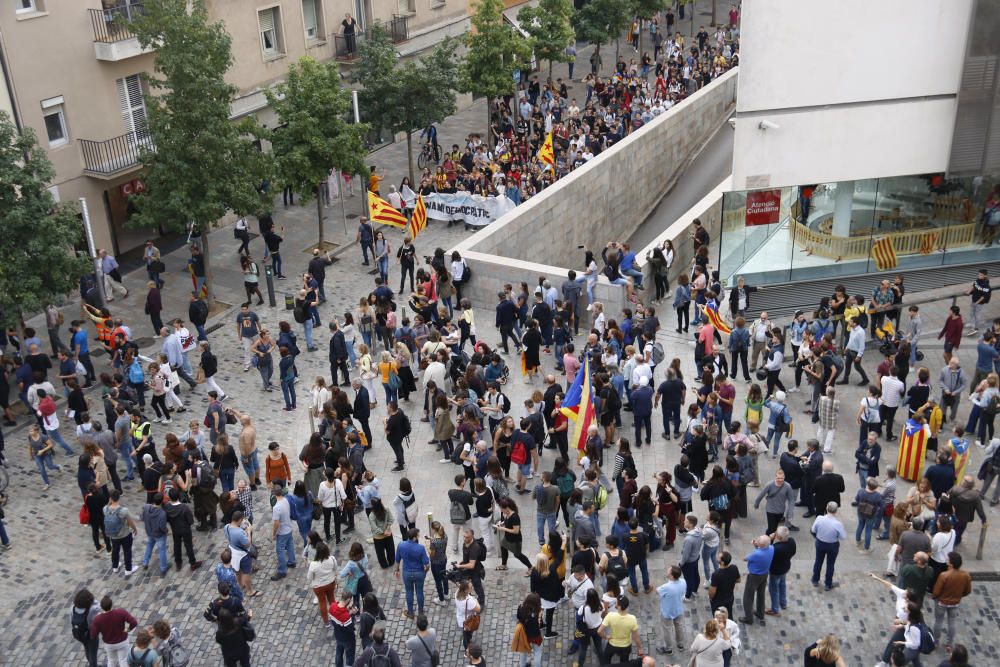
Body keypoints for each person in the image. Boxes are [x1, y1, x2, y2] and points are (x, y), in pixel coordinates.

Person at [931, 551, 972, 651]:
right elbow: (967, 591)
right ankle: (949, 643)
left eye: (948, 560)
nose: (947, 560)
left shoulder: (944, 575)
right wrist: (959, 596)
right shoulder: (966, 575)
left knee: (938, 621)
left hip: (941, 602)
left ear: (951, 563)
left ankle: (935, 641)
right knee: (952, 622)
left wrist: (934, 596)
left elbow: (936, 591)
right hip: (955, 603)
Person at [89, 595, 138, 667]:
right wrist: (128, 629)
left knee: (111, 661)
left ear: (102, 607)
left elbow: (93, 634)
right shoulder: (121, 612)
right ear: (111, 604)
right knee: (123, 660)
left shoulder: (97, 619)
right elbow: (134, 622)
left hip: (109, 644)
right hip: (122, 641)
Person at [395, 527, 430, 619]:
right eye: (418, 535)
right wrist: (425, 571)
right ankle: (421, 612)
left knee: (409, 591)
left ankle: (410, 612)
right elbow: (426, 564)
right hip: (419, 573)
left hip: (406, 573)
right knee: (419, 591)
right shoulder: (420, 548)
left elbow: (397, 560)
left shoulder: (401, 545)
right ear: (414, 537)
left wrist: (397, 570)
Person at [810, 502, 847, 591]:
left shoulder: (819, 518)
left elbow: (813, 530)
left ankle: (815, 579)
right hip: (832, 545)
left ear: (826, 508)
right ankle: (828, 584)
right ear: (836, 511)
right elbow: (843, 537)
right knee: (830, 564)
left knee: (818, 561)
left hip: (820, 543)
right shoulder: (838, 524)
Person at [599, 594, 644, 663]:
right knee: (624, 663)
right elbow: (636, 637)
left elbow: (599, 631)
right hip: (625, 646)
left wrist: (605, 637)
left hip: (612, 644)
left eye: (616, 602)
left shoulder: (610, 616)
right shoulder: (632, 619)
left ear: (618, 606)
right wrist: (639, 648)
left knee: (606, 661)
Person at [740, 535, 773, 626]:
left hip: (754, 576)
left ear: (761, 545)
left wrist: (755, 547)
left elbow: (745, 558)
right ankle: (760, 613)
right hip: (765, 574)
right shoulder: (771, 548)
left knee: (748, 597)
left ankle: (749, 618)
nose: (756, 540)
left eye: (758, 540)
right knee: (761, 594)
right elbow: (762, 548)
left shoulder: (756, 554)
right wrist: (756, 545)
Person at [105, 488, 139, 576]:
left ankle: (115, 567)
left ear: (110, 498)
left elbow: (107, 507)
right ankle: (128, 569)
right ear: (119, 497)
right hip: (125, 535)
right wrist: (135, 529)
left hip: (113, 536)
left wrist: (109, 502)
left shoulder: (105, 509)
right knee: (127, 551)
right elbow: (130, 522)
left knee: (115, 550)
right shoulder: (124, 510)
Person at [71, 588, 102, 667]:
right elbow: (99, 607)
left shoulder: (72, 608)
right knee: (93, 653)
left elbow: (71, 619)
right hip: (91, 635)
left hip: (79, 634)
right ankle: (93, 665)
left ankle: (91, 663)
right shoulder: (92, 610)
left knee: (87, 648)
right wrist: (93, 601)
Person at [708, 550, 740, 618]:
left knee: (718, 618)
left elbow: (712, 592)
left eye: (718, 557)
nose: (717, 557)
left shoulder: (716, 574)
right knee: (729, 614)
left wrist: (711, 598)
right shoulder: (734, 567)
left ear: (722, 562)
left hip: (718, 601)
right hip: (730, 598)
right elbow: (738, 580)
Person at [455, 578, 481, 649]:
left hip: (461, 619)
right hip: (468, 621)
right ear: (466, 590)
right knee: (467, 635)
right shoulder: (469, 601)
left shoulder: (457, 592)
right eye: (471, 587)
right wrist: (476, 600)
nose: (472, 588)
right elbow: (478, 609)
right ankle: (467, 649)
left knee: (466, 634)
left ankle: (467, 641)